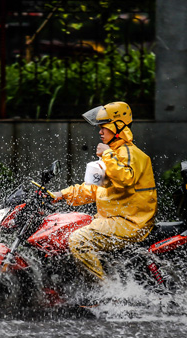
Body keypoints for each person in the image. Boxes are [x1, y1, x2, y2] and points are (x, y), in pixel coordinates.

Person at [52, 101, 157, 281]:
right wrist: (62, 194)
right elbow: (94, 188)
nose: (100, 132)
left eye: (104, 127)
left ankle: (103, 293)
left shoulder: (130, 153)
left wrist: (107, 154)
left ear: (118, 126)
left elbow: (125, 179)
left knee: (78, 240)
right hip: (112, 221)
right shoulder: (112, 154)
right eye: (99, 128)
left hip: (131, 223)